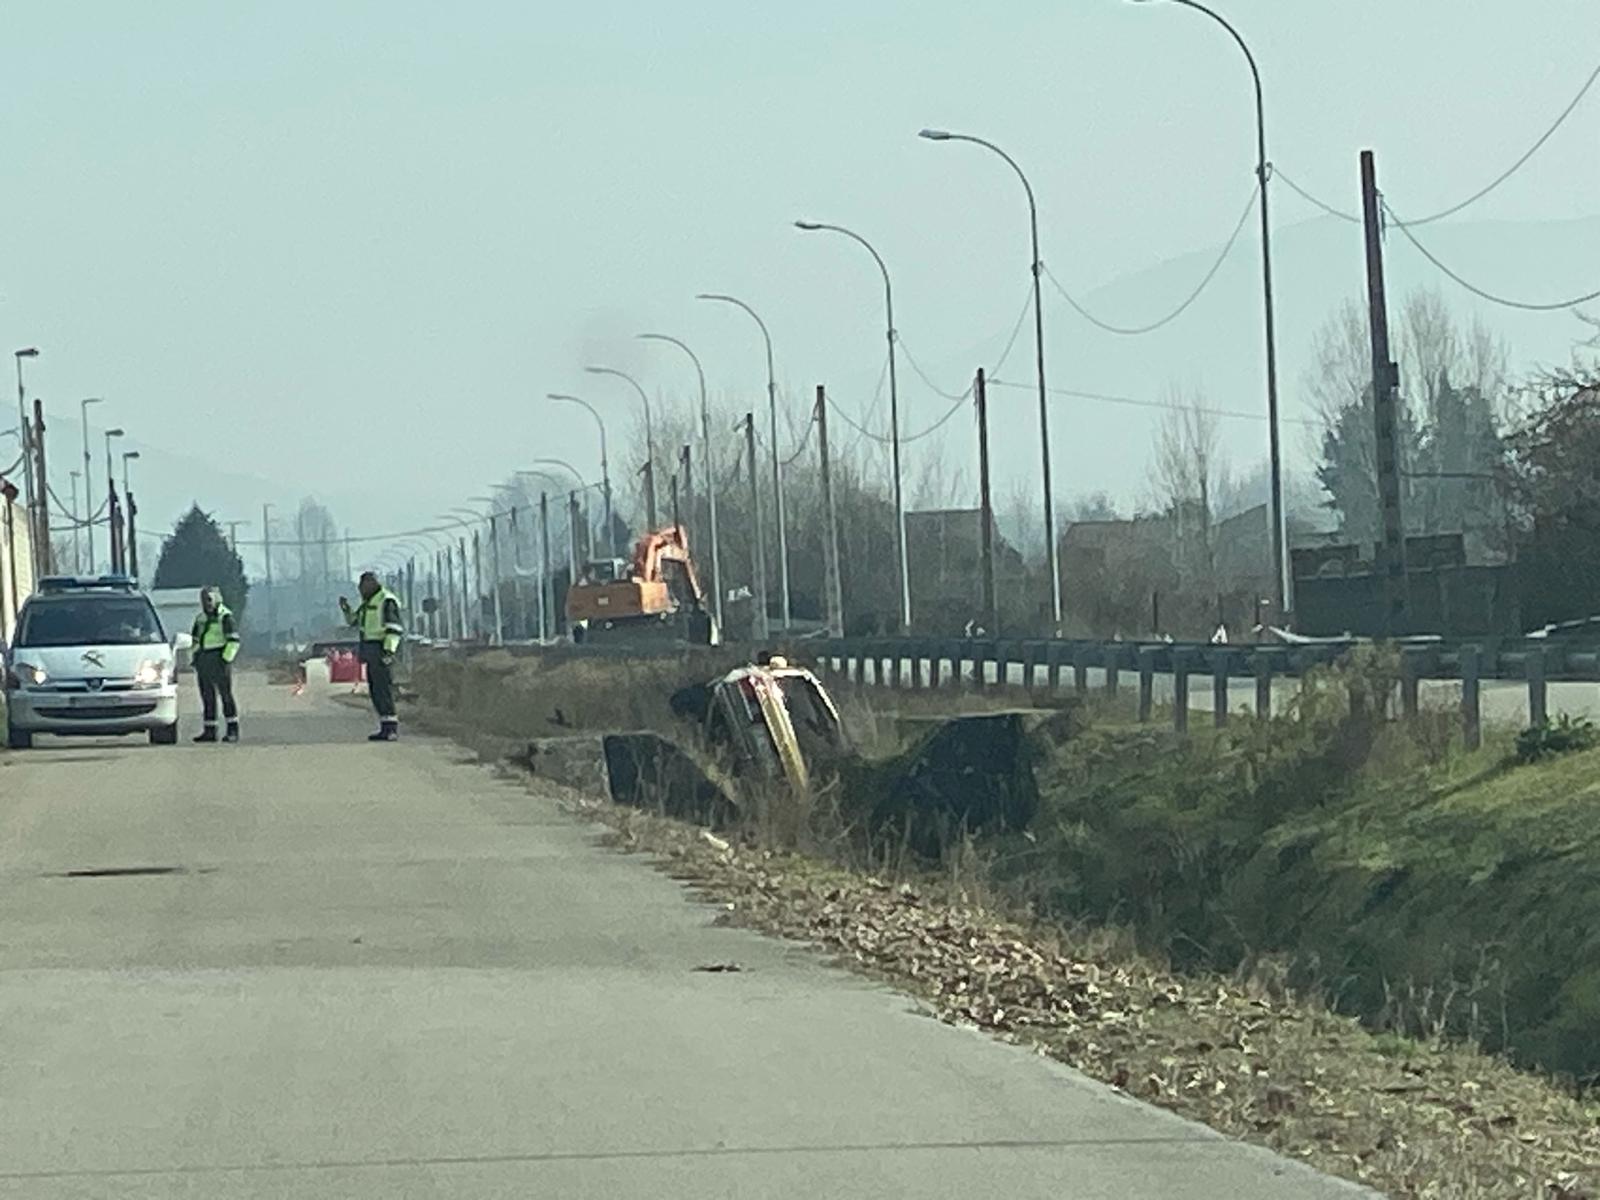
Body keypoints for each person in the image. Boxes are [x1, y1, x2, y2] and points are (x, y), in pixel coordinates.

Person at [340, 571, 404, 741]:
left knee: (384, 689)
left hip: (381, 649)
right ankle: (384, 727)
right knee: (375, 690)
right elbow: (354, 622)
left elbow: (394, 629)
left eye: (363, 586)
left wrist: (388, 651)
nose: (360, 590)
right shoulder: (368, 603)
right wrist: (346, 610)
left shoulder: (386, 600)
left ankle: (391, 729)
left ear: (372, 584)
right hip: (369, 649)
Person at [190, 586, 241, 743]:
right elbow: (195, 640)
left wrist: (225, 660)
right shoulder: (200, 619)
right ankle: (210, 731)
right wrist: (196, 658)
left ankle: (232, 730)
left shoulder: (226, 618)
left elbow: (233, 641)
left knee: (226, 695)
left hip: (220, 659)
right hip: (204, 660)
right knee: (207, 697)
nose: (207, 603)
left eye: (210, 599)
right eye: (204, 600)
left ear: (218, 599)